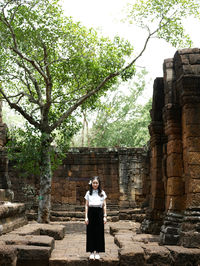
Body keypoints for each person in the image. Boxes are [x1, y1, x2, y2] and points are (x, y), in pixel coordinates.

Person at [84, 176, 107, 260]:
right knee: (90, 232)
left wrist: (105, 216)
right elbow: (86, 206)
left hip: (99, 213)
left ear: (99, 183)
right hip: (91, 213)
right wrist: (86, 217)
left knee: (99, 232)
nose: (95, 184)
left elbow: (104, 205)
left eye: (97, 183)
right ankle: (91, 252)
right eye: (94, 183)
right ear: (91, 183)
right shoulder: (88, 193)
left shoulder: (102, 192)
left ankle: (97, 251)